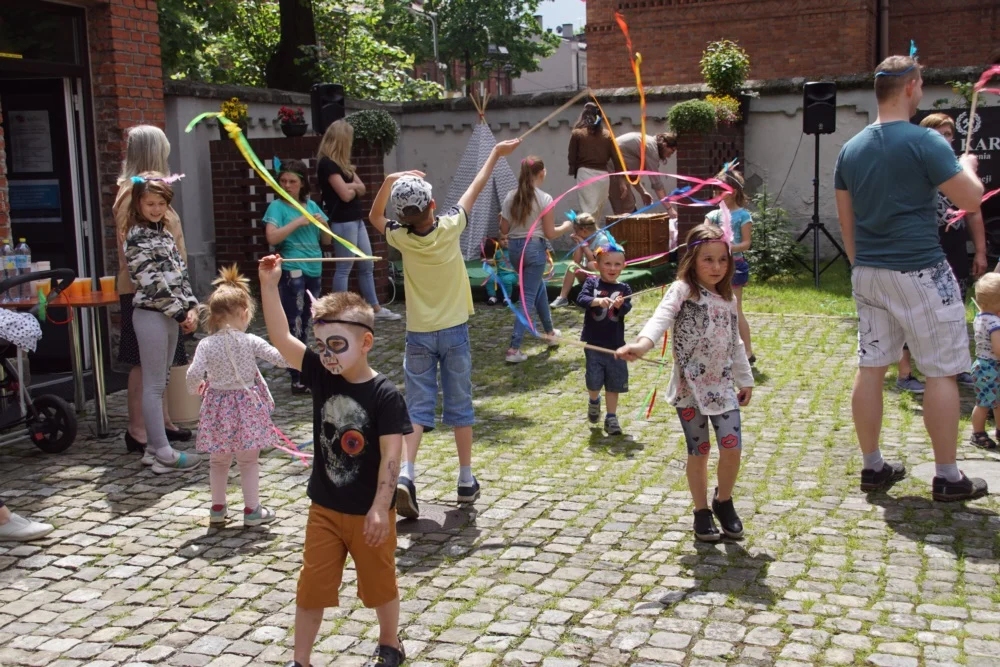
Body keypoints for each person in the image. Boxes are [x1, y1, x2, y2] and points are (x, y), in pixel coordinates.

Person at [834, 53, 987, 501]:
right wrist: (969, 167)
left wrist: (865, 266)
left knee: (871, 366)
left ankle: (873, 467)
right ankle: (947, 476)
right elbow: (972, 199)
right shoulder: (926, 142)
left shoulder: (851, 148)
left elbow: (847, 224)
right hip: (920, 270)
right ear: (912, 86)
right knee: (941, 372)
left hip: (868, 272)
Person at [259, 262, 410, 667]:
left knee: (379, 585)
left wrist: (381, 506)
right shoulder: (321, 374)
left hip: (369, 514)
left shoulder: (385, 395)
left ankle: (390, 642)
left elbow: (393, 457)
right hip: (324, 508)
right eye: (321, 345)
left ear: (366, 343)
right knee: (311, 588)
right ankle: (301, 661)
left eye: (337, 345)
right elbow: (279, 337)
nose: (326, 355)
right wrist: (268, 286)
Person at [368, 138, 521, 520]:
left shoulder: (399, 237)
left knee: (417, 410)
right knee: (459, 404)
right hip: (454, 332)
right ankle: (466, 479)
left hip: (418, 334)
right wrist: (495, 154)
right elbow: (476, 186)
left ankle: (406, 473)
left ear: (402, 217)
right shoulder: (451, 226)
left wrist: (389, 180)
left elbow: (373, 216)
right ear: (433, 205)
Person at [618, 224, 753, 541]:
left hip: (722, 389)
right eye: (708, 259)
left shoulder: (729, 300)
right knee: (700, 450)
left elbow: (734, 343)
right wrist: (641, 344)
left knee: (732, 448)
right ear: (692, 259)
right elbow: (660, 318)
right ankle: (701, 511)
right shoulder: (681, 291)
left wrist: (744, 379)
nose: (716, 267)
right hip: (689, 390)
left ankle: (723, 501)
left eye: (722, 260)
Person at [187, 265, 288, 527]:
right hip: (247, 407)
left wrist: (194, 388)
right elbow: (279, 358)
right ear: (244, 313)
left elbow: (193, 374)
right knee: (248, 460)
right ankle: (252, 510)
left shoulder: (206, 344)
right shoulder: (249, 340)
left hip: (217, 406)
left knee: (218, 460)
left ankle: (218, 509)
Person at [896, 113, 987, 393]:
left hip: (954, 247)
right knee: (914, 310)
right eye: (940, 133)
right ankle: (905, 372)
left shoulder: (957, 170)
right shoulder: (914, 166)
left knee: (954, 308)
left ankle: (956, 366)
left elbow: (973, 211)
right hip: (921, 246)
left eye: (950, 134)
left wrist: (981, 252)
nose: (947, 139)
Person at [115, 125, 192, 455]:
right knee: (144, 366)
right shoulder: (130, 197)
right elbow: (140, 265)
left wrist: (186, 301)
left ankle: (161, 424)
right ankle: (141, 430)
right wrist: (176, 305)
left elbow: (173, 256)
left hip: (171, 297)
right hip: (146, 297)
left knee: (160, 368)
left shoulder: (156, 196)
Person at [124, 173, 202, 474]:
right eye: (150, 203)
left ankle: (155, 447)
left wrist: (191, 307)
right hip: (152, 315)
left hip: (171, 316)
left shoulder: (165, 235)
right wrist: (180, 312)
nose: (156, 209)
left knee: (163, 382)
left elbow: (180, 276)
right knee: (154, 385)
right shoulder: (136, 236)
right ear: (139, 204)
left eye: (161, 203)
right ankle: (162, 451)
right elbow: (151, 282)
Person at [316, 120, 401, 321]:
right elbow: (346, 195)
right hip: (342, 221)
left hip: (356, 219)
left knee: (366, 264)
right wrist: (353, 187)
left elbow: (361, 188)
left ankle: (375, 308)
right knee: (345, 267)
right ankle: (340, 311)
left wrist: (352, 187)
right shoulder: (327, 164)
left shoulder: (343, 165)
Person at [263, 158, 333, 394]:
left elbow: (326, 241)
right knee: (294, 322)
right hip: (293, 269)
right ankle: (297, 374)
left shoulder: (312, 205)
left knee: (311, 319)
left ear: (302, 184)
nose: (287, 185)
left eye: (292, 181)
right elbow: (272, 238)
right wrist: (298, 222)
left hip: (315, 268)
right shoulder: (277, 207)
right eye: (283, 181)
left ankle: (308, 369)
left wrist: (324, 226)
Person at [500, 156, 574, 363]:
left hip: (515, 251)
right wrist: (567, 227)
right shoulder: (545, 198)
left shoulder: (509, 197)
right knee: (527, 299)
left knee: (536, 287)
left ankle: (550, 334)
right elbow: (550, 233)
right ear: (542, 173)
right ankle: (514, 349)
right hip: (533, 249)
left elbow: (504, 230)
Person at [576, 242, 632, 435]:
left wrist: (618, 306)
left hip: (615, 345)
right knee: (593, 380)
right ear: (597, 265)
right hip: (594, 344)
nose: (612, 268)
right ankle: (594, 400)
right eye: (607, 264)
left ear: (624, 266)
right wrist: (597, 301)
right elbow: (581, 299)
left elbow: (626, 309)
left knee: (614, 383)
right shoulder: (592, 283)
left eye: (617, 264)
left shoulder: (624, 288)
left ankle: (611, 417)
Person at [705, 169, 755, 364]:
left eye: (720, 190)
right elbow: (705, 236)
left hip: (735, 265)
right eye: (715, 191)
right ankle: (717, 349)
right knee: (712, 307)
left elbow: (746, 244)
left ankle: (748, 352)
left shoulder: (743, 215)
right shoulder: (712, 215)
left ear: (732, 191)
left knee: (735, 308)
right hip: (713, 268)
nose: (716, 195)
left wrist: (729, 248)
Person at [568, 102, 622, 219]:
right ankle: (591, 235)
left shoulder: (577, 133)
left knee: (588, 211)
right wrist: (621, 179)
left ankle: (586, 235)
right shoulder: (607, 135)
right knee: (596, 212)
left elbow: (572, 156)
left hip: (585, 175)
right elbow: (616, 158)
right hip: (603, 177)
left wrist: (573, 170)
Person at [551, 212, 613, 308]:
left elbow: (596, 261)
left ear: (583, 230)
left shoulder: (602, 239)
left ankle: (601, 290)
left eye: (576, 231)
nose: (574, 234)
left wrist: (584, 245)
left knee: (592, 264)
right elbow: (576, 260)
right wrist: (579, 244)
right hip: (589, 275)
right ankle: (562, 298)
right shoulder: (584, 237)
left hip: (602, 274)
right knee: (572, 266)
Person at [608, 131, 678, 216]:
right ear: (665, 145)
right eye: (672, 151)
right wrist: (670, 209)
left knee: (628, 207)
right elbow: (657, 183)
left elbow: (631, 175)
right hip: (612, 171)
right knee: (625, 209)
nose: (669, 156)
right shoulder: (652, 150)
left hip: (615, 171)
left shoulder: (649, 144)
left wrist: (642, 192)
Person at [970, 274, 1000, 450]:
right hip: (990, 368)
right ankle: (978, 433)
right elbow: (998, 349)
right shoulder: (995, 323)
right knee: (984, 403)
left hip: (985, 366)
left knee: (995, 401)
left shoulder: (981, 317)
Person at [482, 236, 517, 306]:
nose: (505, 241)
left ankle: (507, 298)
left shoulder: (515, 252)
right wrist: (487, 261)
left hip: (512, 275)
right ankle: (492, 297)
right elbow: (494, 262)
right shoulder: (498, 252)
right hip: (500, 274)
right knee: (490, 279)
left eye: (508, 239)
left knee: (506, 280)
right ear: (498, 241)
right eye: (503, 239)